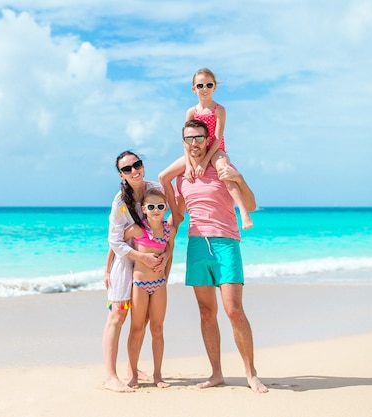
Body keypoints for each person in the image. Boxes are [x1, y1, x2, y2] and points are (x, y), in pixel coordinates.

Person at [166, 119, 268, 393]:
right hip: (197, 244)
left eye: (199, 137)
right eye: (189, 138)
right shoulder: (181, 178)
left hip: (226, 243)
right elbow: (177, 214)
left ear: (208, 138)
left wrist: (240, 179)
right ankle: (216, 373)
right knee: (205, 312)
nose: (195, 143)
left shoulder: (222, 166)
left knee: (234, 311)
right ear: (184, 142)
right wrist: (163, 240)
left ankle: (251, 373)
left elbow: (251, 204)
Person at [102, 151, 170, 393]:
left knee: (144, 321)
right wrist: (115, 264)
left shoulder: (155, 189)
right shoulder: (120, 203)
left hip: (150, 266)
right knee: (118, 315)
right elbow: (116, 240)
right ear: (121, 175)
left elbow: (167, 223)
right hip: (128, 262)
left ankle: (134, 370)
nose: (134, 170)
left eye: (137, 164)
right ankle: (111, 376)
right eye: (127, 169)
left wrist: (164, 259)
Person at [158, 68, 253, 229]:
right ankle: (175, 212)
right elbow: (187, 139)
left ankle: (244, 213)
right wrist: (189, 165)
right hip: (194, 151)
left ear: (214, 87)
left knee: (224, 172)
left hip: (215, 150)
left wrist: (204, 163)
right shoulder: (191, 112)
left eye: (209, 85)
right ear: (194, 89)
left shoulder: (219, 110)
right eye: (200, 85)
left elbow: (216, 138)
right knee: (163, 176)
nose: (205, 89)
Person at [123, 188, 172, 389]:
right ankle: (132, 374)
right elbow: (116, 245)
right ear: (144, 208)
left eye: (160, 206)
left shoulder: (169, 230)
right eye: (151, 206)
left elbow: (170, 249)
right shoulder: (137, 229)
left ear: (166, 208)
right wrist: (107, 271)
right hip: (140, 285)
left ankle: (158, 375)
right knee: (136, 328)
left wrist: (166, 267)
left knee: (157, 329)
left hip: (159, 285)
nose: (155, 210)